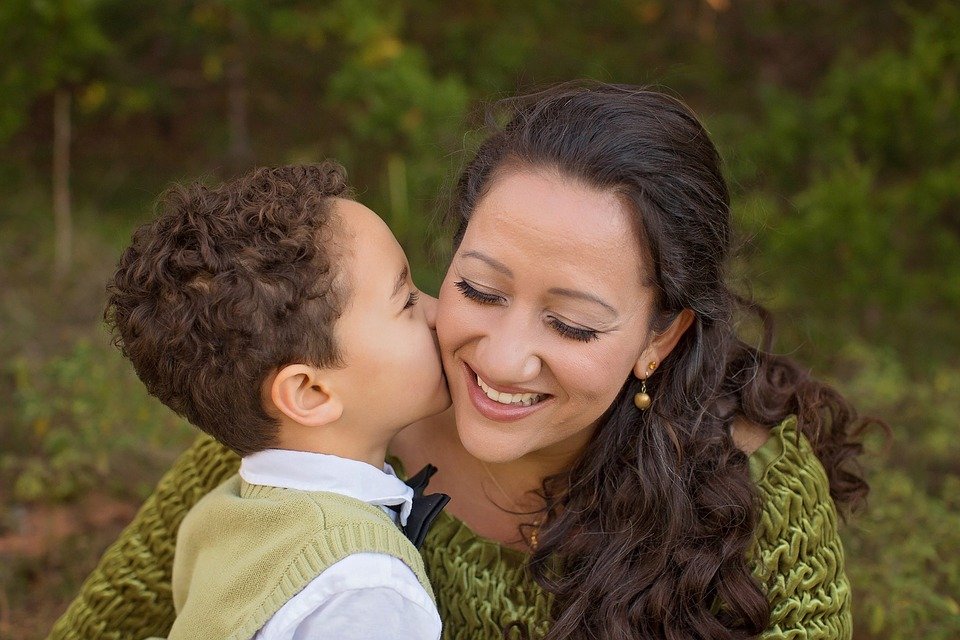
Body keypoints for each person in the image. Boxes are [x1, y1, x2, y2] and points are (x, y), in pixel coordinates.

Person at [48, 83, 871, 640]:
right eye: (478, 288)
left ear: (660, 337)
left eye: (573, 325)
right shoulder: (325, 428)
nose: (504, 357)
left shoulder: (760, 500)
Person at [101, 163, 452, 639]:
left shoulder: (220, 518)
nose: (438, 310)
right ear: (309, 393)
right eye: (406, 301)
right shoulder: (365, 590)